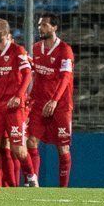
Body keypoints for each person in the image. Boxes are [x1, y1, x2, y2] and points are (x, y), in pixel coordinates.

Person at [0, 18, 36, 187]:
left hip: (14, 107)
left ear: (4, 32)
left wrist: (19, 95)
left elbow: (27, 74)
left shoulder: (17, 51)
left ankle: (31, 177)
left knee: (18, 149)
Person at [27, 13, 75, 187]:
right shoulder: (36, 48)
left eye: (45, 25)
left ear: (54, 27)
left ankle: (62, 189)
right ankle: (34, 182)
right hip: (39, 103)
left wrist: (54, 100)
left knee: (62, 148)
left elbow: (65, 78)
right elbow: (35, 75)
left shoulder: (65, 50)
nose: (41, 28)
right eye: (40, 25)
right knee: (31, 141)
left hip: (61, 105)